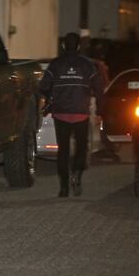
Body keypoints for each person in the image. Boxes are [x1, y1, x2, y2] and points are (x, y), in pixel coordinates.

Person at [39, 32, 104, 197]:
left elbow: (44, 87)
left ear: (62, 46)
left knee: (63, 150)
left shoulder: (55, 64)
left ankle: (64, 188)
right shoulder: (88, 65)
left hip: (61, 113)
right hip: (81, 113)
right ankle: (77, 174)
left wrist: (47, 100)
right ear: (79, 47)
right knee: (82, 148)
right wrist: (101, 111)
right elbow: (98, 88)